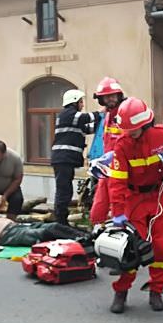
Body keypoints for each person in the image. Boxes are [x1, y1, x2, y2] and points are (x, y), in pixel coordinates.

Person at [107, 97, 163, 313]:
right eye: (126, 129)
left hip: (158, 198)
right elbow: (117, 183)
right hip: (134, 201)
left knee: (160, 250)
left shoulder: (161, 135)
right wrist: (117, 212)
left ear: (144, 124)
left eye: (132, 129)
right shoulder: (122, 146)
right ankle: (121, 292)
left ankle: (156, 291)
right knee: (131, 251)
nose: (128, 133)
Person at [51, 89, 101, 225]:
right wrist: (102, 113)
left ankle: (61, 219)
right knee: (64, 191)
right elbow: (88, 118)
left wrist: (101, 124)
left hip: (64, 160)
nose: (82, 105)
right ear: (74, 102)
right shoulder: (68, 114)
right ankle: (60, 221)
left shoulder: (71, 119)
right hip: (63, 159)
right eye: (80, 102)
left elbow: (88, 128)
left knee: (65, 189)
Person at [89, 77, 126, 224]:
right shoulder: (108, 115)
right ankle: (97, 231)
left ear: (119, 96)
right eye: (106, 97)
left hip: (122, 171)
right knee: (97, 211)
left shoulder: (125, 113)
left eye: (112, 96)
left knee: (119, 211)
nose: (110, 99)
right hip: (107, 170)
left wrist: (115, 155)